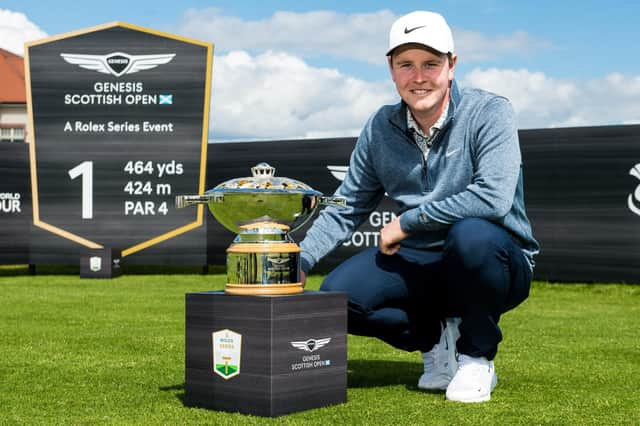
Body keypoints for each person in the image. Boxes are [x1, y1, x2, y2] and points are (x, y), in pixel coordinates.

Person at [298, 10, 540, 403]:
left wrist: (408, 221)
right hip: (421, 264)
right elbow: (348, 204)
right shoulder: (380, 126)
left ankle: (477, 355)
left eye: (431, 63)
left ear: (452, 65)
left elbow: (493, 198)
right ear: (391, 69)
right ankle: (436, 341)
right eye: (406, 65)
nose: (419, 76)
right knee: (339, 297)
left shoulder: (489, 111)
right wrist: (301, 260)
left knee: (472, 234)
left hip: (495, 263)